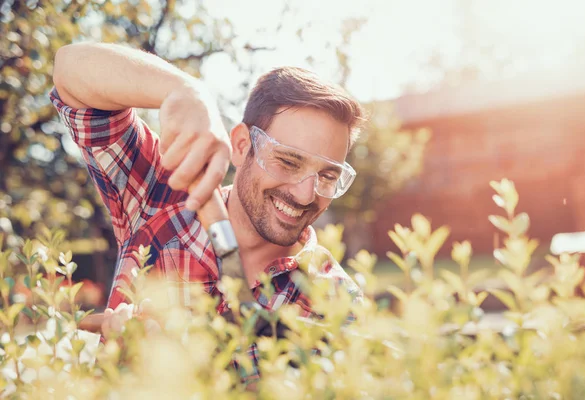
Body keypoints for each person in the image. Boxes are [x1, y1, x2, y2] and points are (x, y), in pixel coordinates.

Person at [50, 42, 365, 382]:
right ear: (242, 146)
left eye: (328, 175)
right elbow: (70, 70)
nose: (305, 194)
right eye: (288, 161)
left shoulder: (336, 303)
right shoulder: (161, 193)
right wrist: (182, 90)